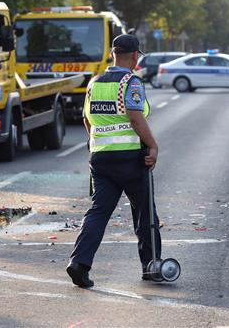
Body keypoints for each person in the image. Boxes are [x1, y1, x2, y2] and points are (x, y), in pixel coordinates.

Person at [66, 34, 161, 288]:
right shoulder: (131, 82)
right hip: (130, 159)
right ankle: (151, 267)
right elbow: (135, 118)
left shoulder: (94, 83)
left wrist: (99, 142)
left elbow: (87, 120)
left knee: (98, 212)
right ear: (134, 56)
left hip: (100, 159)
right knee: (144, 213)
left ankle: (79, 264)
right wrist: (152, 145)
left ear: (112, 54)